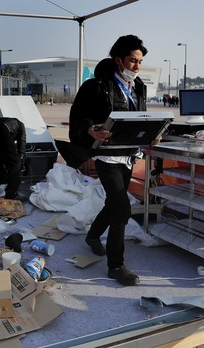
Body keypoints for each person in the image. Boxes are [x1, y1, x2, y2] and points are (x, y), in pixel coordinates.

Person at [69, 34, 160, 286]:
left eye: (140, 61)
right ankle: (116, 265)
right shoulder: (95, 86)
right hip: (106, 155)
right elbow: (78, 118)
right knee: (122, 208)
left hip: (129, 154)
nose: (137, 66)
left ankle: (93, 236)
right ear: (118, 60)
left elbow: (138, 120)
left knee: (113, 203)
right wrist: (90, 130)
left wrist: (149, 136)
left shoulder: (138, 86)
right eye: (132, 61)